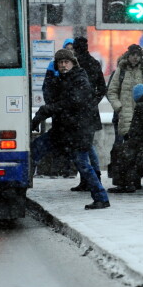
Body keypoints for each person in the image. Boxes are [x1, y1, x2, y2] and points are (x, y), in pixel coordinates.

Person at [30, 48, 110, 210]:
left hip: (78, 131)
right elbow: (51, 97)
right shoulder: (62, 79)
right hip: (63, 130)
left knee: (83, 164)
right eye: (60, 62)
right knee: (34, 150)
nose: (63, 65)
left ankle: (101, 197)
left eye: (66, 62)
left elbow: (72, 102)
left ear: (73, 63)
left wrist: (45, 111)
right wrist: (50, 75)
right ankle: (21, 187)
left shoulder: (80, 79)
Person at [69, 36, 106, 192]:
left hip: (78, 112)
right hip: (89, 112)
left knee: (82, 147)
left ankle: (88, 178)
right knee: (87, 146)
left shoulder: (76, 65)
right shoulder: (94, 63)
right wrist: (93, 102)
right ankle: (93, 177)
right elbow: (102, 88)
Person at [107, 44, 143, 143]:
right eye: (133, 54)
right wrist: (118, 107)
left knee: (139, 147)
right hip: (125, 115)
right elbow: (111, 91)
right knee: (127, 145)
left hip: (141, 115)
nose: (135, 57)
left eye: (138, 55)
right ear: (128, 55)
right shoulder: (121, 70)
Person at [42, 38, 74, 105]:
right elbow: (47, 86)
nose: (70, 51)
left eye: (72, 48)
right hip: (56, 104)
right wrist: (50, 104)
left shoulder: (78, 65)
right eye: (68, 49)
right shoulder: (53, 65)